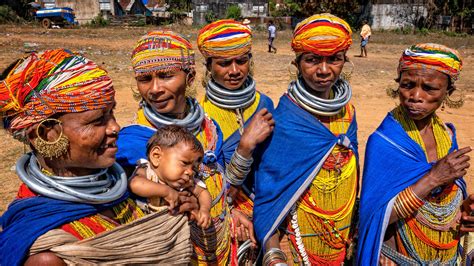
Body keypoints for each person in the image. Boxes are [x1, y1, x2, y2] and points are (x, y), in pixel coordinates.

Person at [0, 49, 193, 265]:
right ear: (47, 134)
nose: (115, 127)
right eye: (97, 120)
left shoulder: (131, 179)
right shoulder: (47, 256)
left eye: (112, 112)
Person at [116, 30, 264, 265]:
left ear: (191, 77)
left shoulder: (210, 128)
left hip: (223, 246)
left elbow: (219, 182)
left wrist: (229, 209)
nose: (154, 89)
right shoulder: (133, 141)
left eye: (165, 76)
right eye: (145, 79)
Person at [253, 13, 359, 265]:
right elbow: (270, 193)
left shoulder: (349, 113)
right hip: (297, 239)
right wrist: (273, 252)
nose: (324, 70)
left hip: (341, 236)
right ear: (297, 63)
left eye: (334, 59)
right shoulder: (284, 120)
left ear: (345, 60)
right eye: (312, 60)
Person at [358, 43, 474, 265]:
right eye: (407, 85)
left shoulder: (447, 137)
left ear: (448, 93)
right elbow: (374, 218)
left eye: (429, 88)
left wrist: (465, 209)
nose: (415, 96)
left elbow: (446, 201)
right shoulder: (385, 142)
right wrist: (433, 178)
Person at [197, 19, 274, 218]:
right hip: (226, 212)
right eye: (223, 64)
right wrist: (245, 147)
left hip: (268, 205)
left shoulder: (264, 104)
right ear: (209, 66)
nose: (234, 71)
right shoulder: (201, 115)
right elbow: (207, 183)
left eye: (241, 61)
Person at [130, 125, 212, 229]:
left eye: (194, 168)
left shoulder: (186, 182)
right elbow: (134, 184)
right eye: (184, 163)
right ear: (157, 156)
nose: (190, 172)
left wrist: (204, 209)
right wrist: (166, 191)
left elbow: (203, 193)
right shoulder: (147, 171)